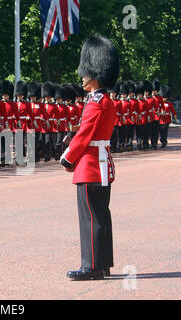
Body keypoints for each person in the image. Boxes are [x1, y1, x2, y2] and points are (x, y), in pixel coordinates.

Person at [60, 34, 119, 281]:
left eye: (85, 73)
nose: (82, 76)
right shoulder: (105, 101)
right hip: (102, 163)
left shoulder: (95, 102)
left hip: (91, 165)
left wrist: (67, 157)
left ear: (95, 74)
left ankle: (92, 266)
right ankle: (102, 264)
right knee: (101, 216)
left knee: (91, 217)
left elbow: (85, 135)